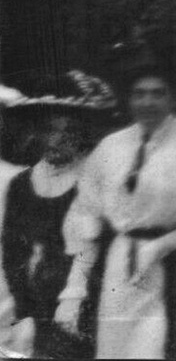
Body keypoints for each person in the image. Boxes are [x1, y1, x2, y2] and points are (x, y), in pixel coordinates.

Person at [60, 27, 176, 360]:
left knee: (163, 349)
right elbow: (86, 214)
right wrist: (74, 289)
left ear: (173, 97)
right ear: (129, 98)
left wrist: (160, 246)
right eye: (139, 93)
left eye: (158, 93)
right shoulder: (111, 148)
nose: (148, 102)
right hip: (120, 276)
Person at [2, 71, 115, 360]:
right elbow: (15, 252)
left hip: (96, 306)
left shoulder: (96, 180)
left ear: (81, 134)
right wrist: (25, 314)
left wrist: (79, 302)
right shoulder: (22, 185)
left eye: (67, 132)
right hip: (43, 309)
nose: (56, 140)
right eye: (50, 130)